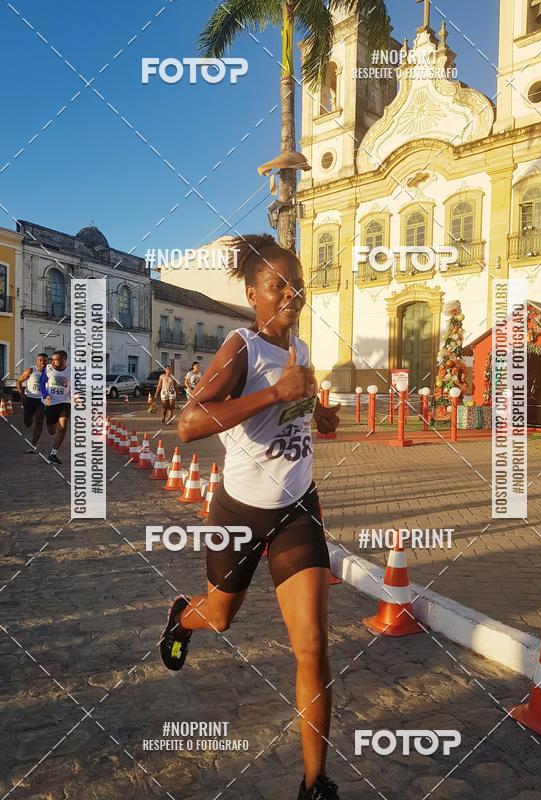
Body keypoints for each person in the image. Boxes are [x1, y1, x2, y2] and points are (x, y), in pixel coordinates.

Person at [161, 234, 341, 800]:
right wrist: (273, 394)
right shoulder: (241, 346)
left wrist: (320, 413)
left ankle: (315, 784)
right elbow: (188, 424)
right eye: (277, 285)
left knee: (312, 645)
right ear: (252, 294)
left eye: (297, 284)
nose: (291, 293)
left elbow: (296, 412)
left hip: (296, 510)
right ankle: (178, 618)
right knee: (219, 616)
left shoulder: (304, 351)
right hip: (239, 513)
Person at [40, 350, 71, 464]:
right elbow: (41, 383)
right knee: (51, 431)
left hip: (65, 402)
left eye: (55, 360)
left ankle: (53, 454)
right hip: (51, 403)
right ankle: (54, 423)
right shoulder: (48, 369)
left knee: (63, 428)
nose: (52, 362)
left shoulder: (71, 372)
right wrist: (45, 395)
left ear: (63, 360)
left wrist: (76, 396)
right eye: (51, 360)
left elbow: (76, 386)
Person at [16, 353, 48, 453]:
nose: (43, 362)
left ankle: (33, 445)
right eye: (41, 360)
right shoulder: (31, 371)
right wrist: (21, 395)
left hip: (41, 400)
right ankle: (29, 419)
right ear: (37, 361)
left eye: (45, 360)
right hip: (29, 399)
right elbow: (18, 382)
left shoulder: (49, 372)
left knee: (39, 420)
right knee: (28, 423)